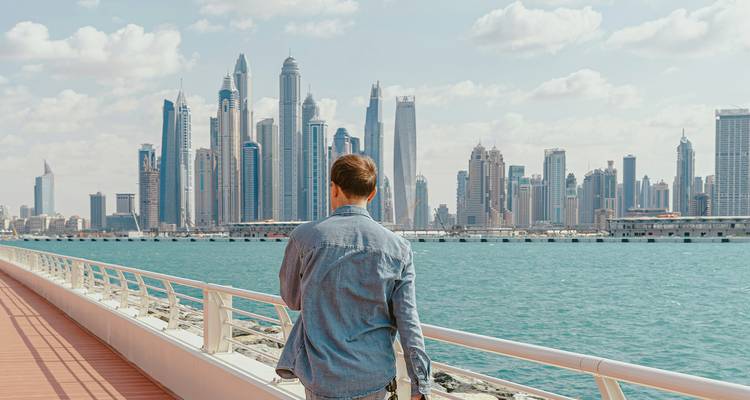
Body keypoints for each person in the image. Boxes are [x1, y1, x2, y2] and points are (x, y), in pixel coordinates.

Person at [276, 154, 431, 400]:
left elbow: (293, 300)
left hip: (322, 377)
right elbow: (408, 321)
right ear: (372, 194)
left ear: (334, 189)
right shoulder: (399, 248)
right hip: (373, 377)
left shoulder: (305, 237)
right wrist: (419, 383)